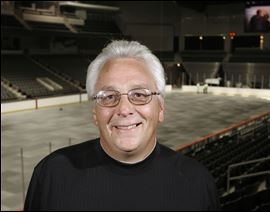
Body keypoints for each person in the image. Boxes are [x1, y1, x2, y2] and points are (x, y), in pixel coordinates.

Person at [24, 40, 220, 211]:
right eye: (109, 97)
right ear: (95, 113)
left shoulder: (196, 182)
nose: (124, 109)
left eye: (140, 95)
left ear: (160, 109)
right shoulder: (52, 175)